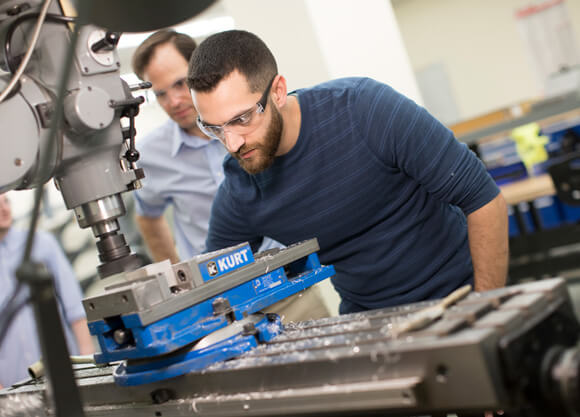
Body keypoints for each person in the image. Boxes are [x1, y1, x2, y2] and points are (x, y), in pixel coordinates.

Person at [187, 30, 509, 314]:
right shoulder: (241, 188)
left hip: (463, 292)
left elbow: (482, 200)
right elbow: (211, 282)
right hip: (371, 320)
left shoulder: (364, 110)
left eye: (241, 119)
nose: (231, 143)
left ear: (278, 92)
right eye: (213, 128)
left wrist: (486, 311)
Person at [131, 30, 330, 321]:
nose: (173, 101)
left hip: (288, 286)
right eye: (160, 94)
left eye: (180, 84)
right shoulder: (151, 154)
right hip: (219, 305)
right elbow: (147, 217)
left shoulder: (259, 121)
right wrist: (179, 281)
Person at [0, 193, 93, 388]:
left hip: (63, 374)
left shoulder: (41, 243)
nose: (4, 209)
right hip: (12, 386)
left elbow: (74, 309)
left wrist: (89, 365)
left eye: (6, 201)